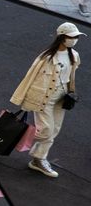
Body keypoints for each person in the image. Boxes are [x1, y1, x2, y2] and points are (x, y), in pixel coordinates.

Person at [10, 22, 83, 178]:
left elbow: (71, 76)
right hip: (44, 98)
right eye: (72, 37)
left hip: (61, 97)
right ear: (62, 37)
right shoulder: (47, 56)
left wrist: (72, 92)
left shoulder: (74, 55)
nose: (75, 39)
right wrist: (20, 98)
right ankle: (13, 136)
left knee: (54, 131)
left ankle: (38, 159)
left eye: (76, 37)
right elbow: (29, 77)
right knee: (46, 132)